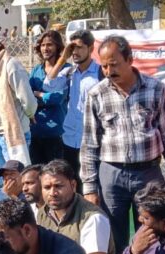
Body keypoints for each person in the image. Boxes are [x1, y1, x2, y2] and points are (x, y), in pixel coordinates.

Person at [82, 35, 165, 254]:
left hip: (148, 174)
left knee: (151, 233)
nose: (109, 71)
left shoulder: (155, 89)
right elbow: (89, 144)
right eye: (104, 66)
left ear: (129, 60)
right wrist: (90, 187)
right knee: (113, 235)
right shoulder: (97, 94)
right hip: (111, 176)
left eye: (114, 64)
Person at [36, 159, 114, 254]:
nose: (52, 193)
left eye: (58, 186)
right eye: (47, 187)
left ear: (73, 185)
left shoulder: (93, 218)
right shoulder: (42, 213)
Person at [43, 30, 102, 181]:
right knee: (71, 184)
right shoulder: (70, 72)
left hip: (92, 141)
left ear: (90, 48)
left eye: (79, 47)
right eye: (72, 48)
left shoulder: (100, 73)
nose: (75, 52)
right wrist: (63, 58)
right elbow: (48, 85)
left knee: (92, 185)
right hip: (70, 140)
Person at [28, 31, 69, 165]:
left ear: (58, 47)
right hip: (36, 131)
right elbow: (27, 96)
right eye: (43, 45)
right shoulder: (36, 70)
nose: (45, 48)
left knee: (55, 172)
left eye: (50, 44)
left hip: (56, 132)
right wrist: (41, 97)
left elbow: (58, 98)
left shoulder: (66, 70)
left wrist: (38, 94)